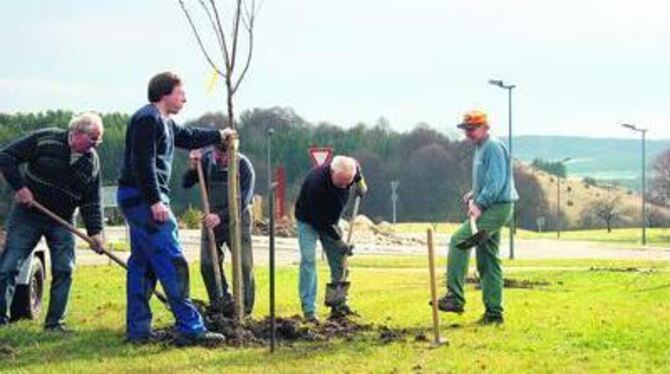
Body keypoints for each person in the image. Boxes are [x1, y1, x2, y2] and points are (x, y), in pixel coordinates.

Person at [117, 72, 232, 346]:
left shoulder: (164, 122)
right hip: (145, 199)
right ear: (165, 93)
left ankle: (138, 331)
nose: (185, 98)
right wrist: (155, 201)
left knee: (143, 265)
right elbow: (141, 163)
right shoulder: (148, 119)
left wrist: (219, 134)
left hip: (140, 197)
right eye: (181, 93)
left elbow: (189, 136)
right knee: (172, 261)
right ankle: (191, 328)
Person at [0, 112, 105, 331]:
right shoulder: (45, 139)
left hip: (62, 220)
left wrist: (96, 233)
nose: (98, 143)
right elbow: (6, 157)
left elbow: (92, 200)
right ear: (77, 133)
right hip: (27, 215)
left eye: (99, 138)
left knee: (65, 269)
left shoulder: (91, 161)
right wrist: (20, 188)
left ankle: (55, 324)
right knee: (9, 267)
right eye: (94, 138)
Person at [436, 110, 518, 325]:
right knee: (488, 259)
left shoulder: (493, 147)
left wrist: (480, 204)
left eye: (472, 129)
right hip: (494, 205)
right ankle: (494, 313)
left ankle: (455, 297)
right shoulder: (480, 148)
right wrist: (474, 193)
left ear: (485, 127)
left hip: (497, 208)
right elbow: (487, 179)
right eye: (466, 130)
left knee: (459, 241)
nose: (468, 134)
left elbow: (497, 182)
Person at [182, 144, 256, 317]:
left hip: (238, 219)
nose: (221, 159)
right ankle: (220, 302)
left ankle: (243, 308)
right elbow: (186, 183)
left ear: (234, 151)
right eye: (219, 154)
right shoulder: (206, 160)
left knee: (244, 265)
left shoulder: (244, 166)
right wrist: (193, 168)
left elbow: (244, 200)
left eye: (226, 155)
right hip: (211, 218)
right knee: (207, 263)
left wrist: (221, 217)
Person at [294, 155, 367, 322]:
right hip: (309, 220)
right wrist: (339, 242)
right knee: (309, 260)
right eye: (341, 182)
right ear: (331, 172)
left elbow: (357, 169)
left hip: (331, 220)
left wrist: (360, 183)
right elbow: (321, 222)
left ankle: (338, 304)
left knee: (340, 260)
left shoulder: (350, 170)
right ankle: (309, 311)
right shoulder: (315, 184)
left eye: (347, 183)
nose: (344, 186)